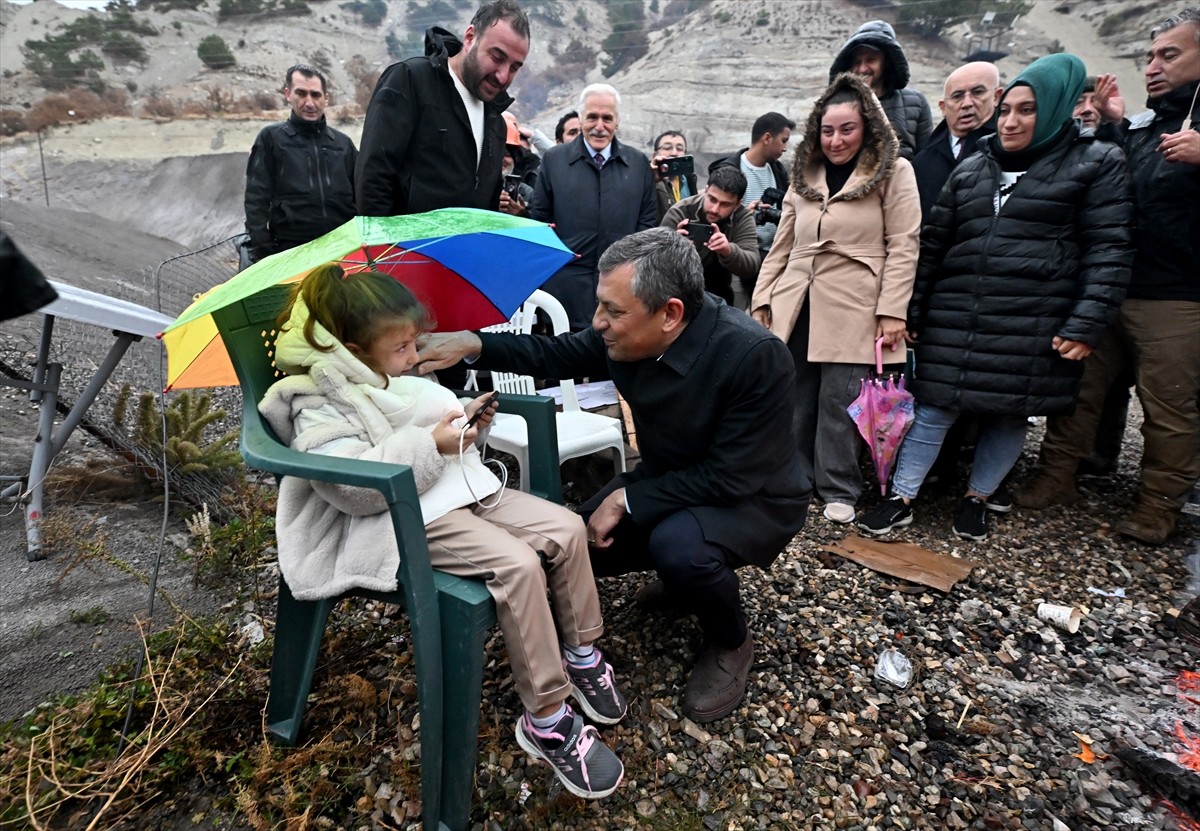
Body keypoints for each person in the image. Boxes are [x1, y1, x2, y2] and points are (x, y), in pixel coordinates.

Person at [257, 263, 627, 799]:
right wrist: (434, 445)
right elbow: (353, 489)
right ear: (356, 349)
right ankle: (546, 717)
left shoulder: (392, 372)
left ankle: (582, 653)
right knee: (518, 565)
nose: (416, 356)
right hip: (400, 520)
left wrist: (467, 430)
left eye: (414, 342)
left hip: (455, 489)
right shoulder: (319, 400)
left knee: (568, 527)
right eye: (404, 347)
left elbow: (431, 425)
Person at [417, 227, 811, 724]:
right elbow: (555, 353)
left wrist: (626, 500)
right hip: (672, 476)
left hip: (755, 497)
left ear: (670, 313)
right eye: (599, 306)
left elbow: (731, 477)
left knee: (679, 548)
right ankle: (683, 581)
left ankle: (731, 639)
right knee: (575, 545)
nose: (599, 323)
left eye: (613, 312)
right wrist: (473, 344)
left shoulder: (753, 356)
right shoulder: (626, 336)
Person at [858, 53, 1134, 542]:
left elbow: (1109, 249)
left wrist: (1086, 323)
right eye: (1007, 109)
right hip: (955, 311)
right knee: (934, 407)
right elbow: (935, 243)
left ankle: (977, 499)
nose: (1010, 120)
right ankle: (900, 497)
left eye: (1026, 110)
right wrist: (913, 309)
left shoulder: (1094, 164)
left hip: (1031, 317)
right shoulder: (974, 167)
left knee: (1008, 412)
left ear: (1054, 110)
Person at [1016, 9, 1200, 544]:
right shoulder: (1150, 122)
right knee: (1080, 389)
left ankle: (1157, 506)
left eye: (1170, 54)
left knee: (1168, 406)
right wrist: (1116, 123)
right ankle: (1057, 477)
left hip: (1178, 297)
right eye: (1150, 56)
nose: (1153, 66)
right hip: (1112, 285)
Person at [751, 73, 920, 525]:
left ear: (868, 127)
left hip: (855, 302)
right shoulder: (804, 175)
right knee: (795, 396)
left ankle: (839, 487)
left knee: (840, 399)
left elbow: (905, 244)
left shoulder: (893, 171)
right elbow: (781, 246)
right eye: (827, 130)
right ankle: (796, 478)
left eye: (847, 129)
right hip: (797, 300)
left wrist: (891, 312)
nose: (836, 139)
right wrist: (762, 302)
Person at [355, 0, 530, 217]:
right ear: (470, 38)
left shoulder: (495, 121)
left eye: (514, 67)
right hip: (405, 247)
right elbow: (373, 179)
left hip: (464, 250)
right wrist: (385, 248)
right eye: (497, 57)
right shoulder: (410, 80)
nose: (503, 76)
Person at [529, 84, 657, 330]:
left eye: (607, 118)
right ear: (581, 119)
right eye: (592, 117)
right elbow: (540, 222)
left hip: (622, 293)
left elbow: (646, 226)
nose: (600, 126)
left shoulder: (638, 164)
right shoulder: (555, 160)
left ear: (617, 121)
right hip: (565, 292)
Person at [243, 64, 357, 265]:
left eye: (316, 95)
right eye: (301, 94)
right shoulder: (271, 139)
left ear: (326, 98)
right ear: (288, 94)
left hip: (342, 249)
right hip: (292, 251)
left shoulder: (343, 144)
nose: (309, 103)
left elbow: (362, 194)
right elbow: (256, 199)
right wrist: (263, 251)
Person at [708, 112, 795, 308]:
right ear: (767, 138)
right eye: (783, 141)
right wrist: (745, 215)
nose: (785, 148)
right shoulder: (729, 169)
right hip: (736, 261)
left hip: (771, 261)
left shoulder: (779, 172)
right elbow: (712, 214)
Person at [828, 20, 932, 160]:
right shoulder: (835, 104)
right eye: (857, 62)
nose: (862, 69)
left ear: (887, 62)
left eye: (871, 60)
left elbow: (926, 158)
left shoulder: (916, 102)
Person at [912, 61, 1001, 218]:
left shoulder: (1009, 148)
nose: (967, 103)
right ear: (943, 107)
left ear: (997, 96)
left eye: (978, 92)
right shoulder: (923, 160)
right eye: (957, 96)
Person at [662, 166, 759, 305]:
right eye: (712, 199)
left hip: (719, 296)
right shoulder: (680, 211)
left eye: (725, 204)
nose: (715, 209)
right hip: (676, 294)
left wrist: (728, 251)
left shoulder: (742, 218)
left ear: (737, 204)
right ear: (706, 190)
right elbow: (654, 262)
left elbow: (752, 265)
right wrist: (675, 248)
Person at [650, 130, 697, 221]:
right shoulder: (647, 180)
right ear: (655, 155)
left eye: (679, 149)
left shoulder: (689, 180)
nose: (674, 153)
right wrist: (651, 179)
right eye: (667, 148)